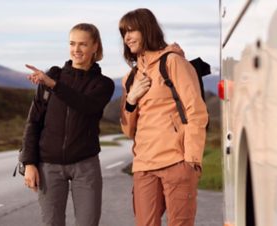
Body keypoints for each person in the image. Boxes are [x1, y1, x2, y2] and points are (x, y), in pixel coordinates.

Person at [118, 8, 208, 226]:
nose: (127, 37)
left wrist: (192, 160)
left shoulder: (173, 63)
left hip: (177, 161)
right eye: (123, 33)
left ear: (147, 29)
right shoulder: (130, 78)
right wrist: (131, 99)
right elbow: (128, 130)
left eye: (132, 30)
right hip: (143, 165)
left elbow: (196, 111)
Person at [19, 23, 115, 226]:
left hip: (85, 165)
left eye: (83, 44)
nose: (76, 50)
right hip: (48, 166)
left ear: (95, 47)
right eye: (72, 43)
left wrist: (54, 85)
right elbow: (34, 122)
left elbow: (86, 106)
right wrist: (28, 162)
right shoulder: (53, 76)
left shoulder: (103, 84)